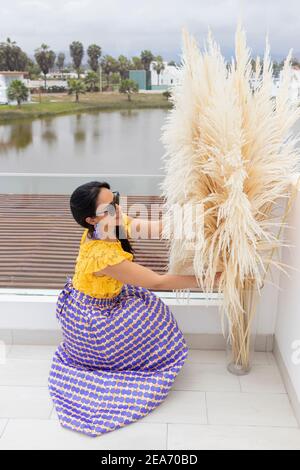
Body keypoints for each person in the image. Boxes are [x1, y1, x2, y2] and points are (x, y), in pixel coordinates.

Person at [48, 181, 204, 437]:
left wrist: (200, 221)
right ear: (90, 219)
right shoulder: (102, 255)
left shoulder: (110, 221)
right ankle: (110, 358)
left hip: (97, 300)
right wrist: (211, 280)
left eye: (117, 200)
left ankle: (127, 354)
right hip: (90, 319)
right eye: (109, 207)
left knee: (148, 308)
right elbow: (158, 281)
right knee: (149, 309)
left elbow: (157, 229)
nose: (118, 209)